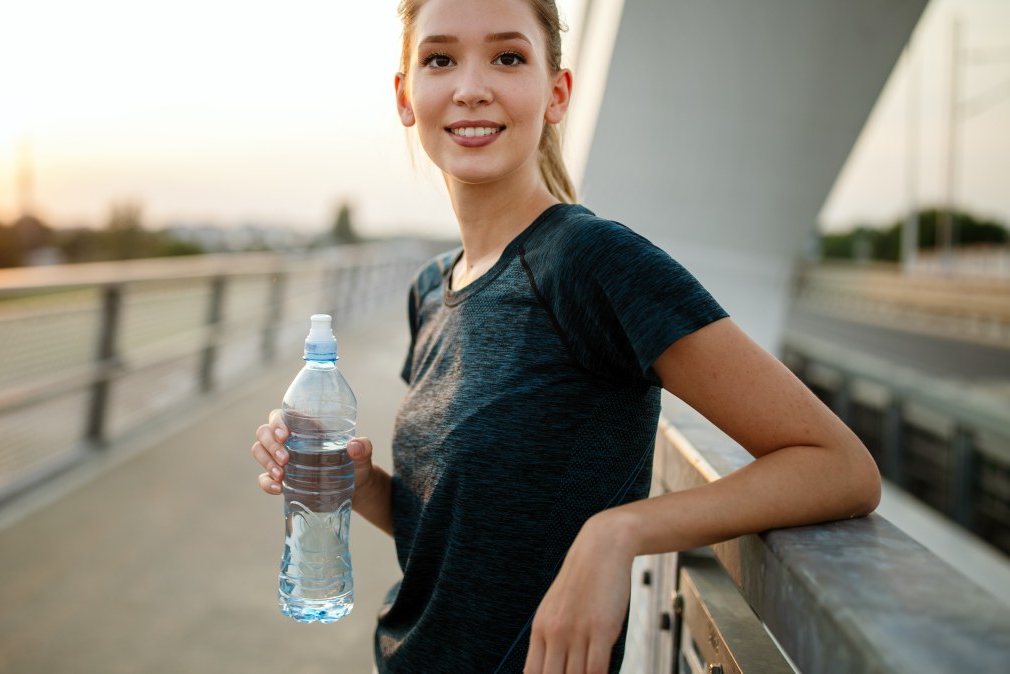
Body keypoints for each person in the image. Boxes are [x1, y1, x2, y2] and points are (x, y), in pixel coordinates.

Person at [250, 0, 882, 671]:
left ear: (557, 93)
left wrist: (619, 531)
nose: (470, 87)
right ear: (406, 96)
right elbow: (448, 535)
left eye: (508, 57)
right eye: (439, 59)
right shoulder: (432, 288)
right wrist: (355, 481)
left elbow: (838, 466)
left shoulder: (591, 261)